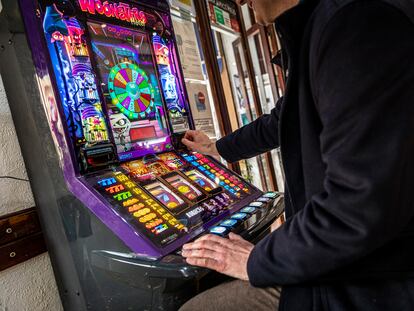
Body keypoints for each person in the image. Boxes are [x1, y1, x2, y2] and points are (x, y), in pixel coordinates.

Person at [179, 0, 414, 310]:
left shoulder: (353, 21)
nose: (239, 1)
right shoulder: (319, 25)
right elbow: (284, 118)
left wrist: (257, 261)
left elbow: (361, 203)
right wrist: (218, 148)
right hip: (351, 260)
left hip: (372, 281)